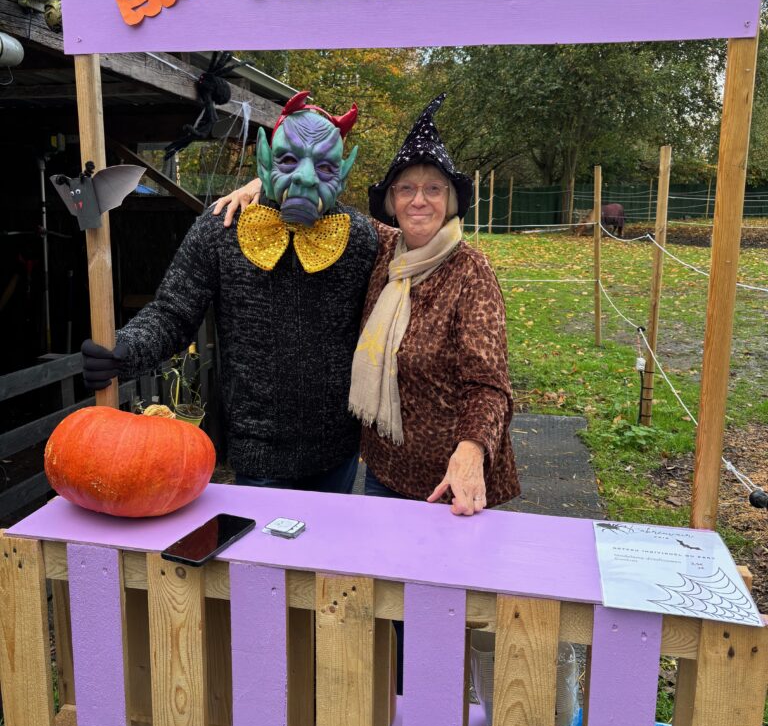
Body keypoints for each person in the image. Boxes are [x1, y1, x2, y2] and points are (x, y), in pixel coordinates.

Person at [216, 94, 520, 514]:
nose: (419, 200)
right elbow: (317, 205)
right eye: (407, 189)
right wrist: (261, 185)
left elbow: (489, 384)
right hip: (383, 470)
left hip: (450, 477)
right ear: (392, 201)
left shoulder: (471, 270)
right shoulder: (381, 248)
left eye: (434, 188)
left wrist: (471, 451)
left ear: (450, 200)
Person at [81, 91, 378, 493]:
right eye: (289, 160)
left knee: (323, 556)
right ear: (267, 161)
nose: (306, 178)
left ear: (343, 172)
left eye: (324, 166)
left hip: (337, 451)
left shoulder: (362, 238)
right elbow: (173, 312)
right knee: (260, 556)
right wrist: (124, 350)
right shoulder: (221, 227)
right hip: (258, 453)